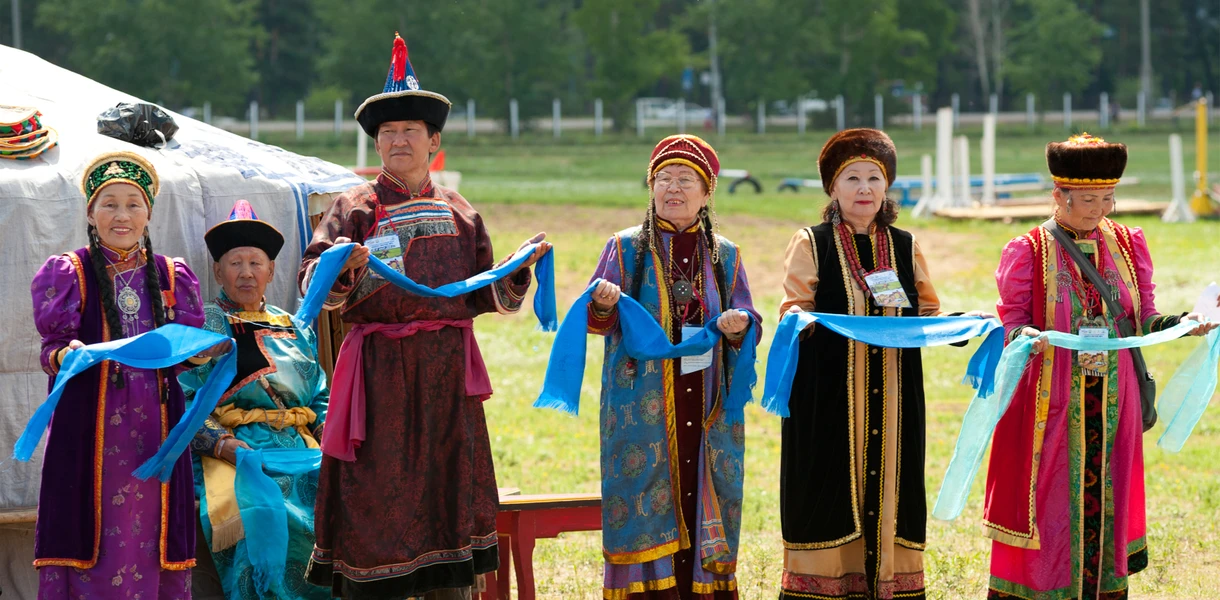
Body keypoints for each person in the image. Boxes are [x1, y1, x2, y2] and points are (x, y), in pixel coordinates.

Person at [300, 32, 549, 599]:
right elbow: (312, 281)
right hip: (378, 373)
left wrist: (516, 270)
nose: (397, 141)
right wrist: (344, 266)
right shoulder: (353, 208)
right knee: (376, 495)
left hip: (444, 377)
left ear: (433, 140)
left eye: (410, 131)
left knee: (446, 495)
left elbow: (481, 293)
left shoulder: (462, 212)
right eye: (387, 133)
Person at [985, 134, 1217, 599]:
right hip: (1052, 399)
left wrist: (1183, 323)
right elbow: (1011, 322)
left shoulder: (1128, 244)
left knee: (1110, 490)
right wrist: (1024, 337)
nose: (1100, 209)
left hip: (1116, 396)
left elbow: (1143, 314)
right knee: (1050, 499)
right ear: (1058, 195)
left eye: (1108, 198)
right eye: (1088, 199)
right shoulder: (1028, 250)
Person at [776, 129, 990, 600]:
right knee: (828, 487)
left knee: (894, 484)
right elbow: (795, 308)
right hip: (828, 397)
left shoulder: (904, 244)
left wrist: (964, 324)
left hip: (895, 397)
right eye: (852, 178)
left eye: (875, 177)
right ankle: (825, 585)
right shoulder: (811, 242)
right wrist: (800, 319)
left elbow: (926, 316)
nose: (864, 188)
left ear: (887, 186)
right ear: (833, 188)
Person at [585, 134, 760, 599]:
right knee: (646, 495)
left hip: (709, 404)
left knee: (708, 486)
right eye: (663, 178)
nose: (673, 188)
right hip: (640, 406)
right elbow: (595, 323)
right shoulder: (624, 249)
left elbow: (746, 319)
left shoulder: (726, 255)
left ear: (707, 194)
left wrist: (740, 324)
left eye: (686, 179)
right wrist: (602, 304)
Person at [30, 151, 209, 598]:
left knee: (154, 531)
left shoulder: (172, 274)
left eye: (133, 203)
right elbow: (51, 348)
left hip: (158, 432)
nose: (122, 215)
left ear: (149, 211)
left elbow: (185, 353)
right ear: (91, 211)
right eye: (109, 204)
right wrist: (66, 355)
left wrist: (205, 356)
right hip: (89, 431)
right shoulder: (69, 273)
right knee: (93, 531)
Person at [181, 200, 330, 600]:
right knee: (263, 513)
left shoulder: (293, 326)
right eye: (235, 263)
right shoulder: (205, 326)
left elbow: (318, 394)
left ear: (272, 270)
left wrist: (328, 433)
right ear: (217, 271)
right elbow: (184, 397)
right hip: (237, 450)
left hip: (303, 447)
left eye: (255, 262)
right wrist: (223, 444)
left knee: (340, 503)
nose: (246, 272)